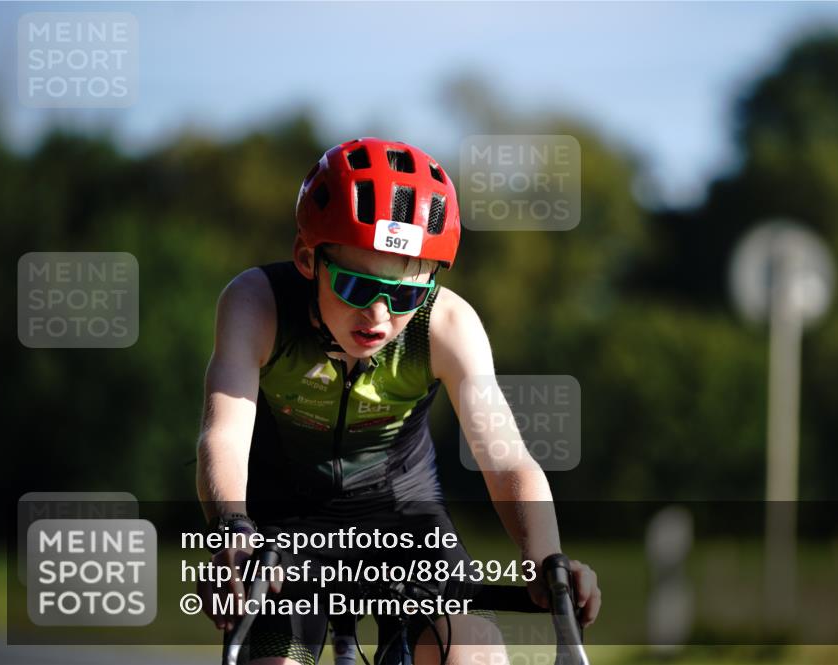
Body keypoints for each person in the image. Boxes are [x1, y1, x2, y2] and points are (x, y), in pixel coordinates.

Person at [196, 137, 600, 665]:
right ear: (307, 258)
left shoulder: (447, 323)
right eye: (356, 287)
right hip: (283, 523)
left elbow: (506, 460)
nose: (380, 316)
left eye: (406, 294)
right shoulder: (257, 304)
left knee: (474, 652)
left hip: (404, 521)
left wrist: (547, 560)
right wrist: (232, 527)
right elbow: (223, 436)